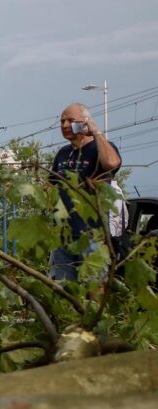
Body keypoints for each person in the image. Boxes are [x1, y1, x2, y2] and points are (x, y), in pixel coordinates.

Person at [49, 102, 122, 281]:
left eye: (70, 121)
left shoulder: (100, 148)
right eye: (62, 121)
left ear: (85, 122)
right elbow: (51, 186)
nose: (65, 125)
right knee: (63, 292)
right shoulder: (63, 153)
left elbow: (112, 164)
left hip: (91, 235)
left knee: (94, 290)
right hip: (63, 238)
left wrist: (96, 132)